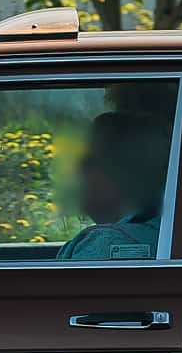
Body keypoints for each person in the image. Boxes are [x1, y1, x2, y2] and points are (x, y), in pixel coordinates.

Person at [56, 107, 170, 260]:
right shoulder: (161, 230)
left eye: (87, 162)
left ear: (121, 173)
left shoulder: (106, 244)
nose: (76, 171)